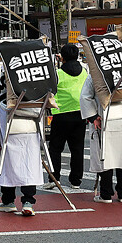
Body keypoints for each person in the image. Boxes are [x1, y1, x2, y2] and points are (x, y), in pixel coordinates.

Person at [0, 65, 43, 216]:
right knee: (29, 164)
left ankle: (8, 201)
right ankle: (28, 201)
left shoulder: (0, 84)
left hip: (8, 130)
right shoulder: (36, 83)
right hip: (30, 129)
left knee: (7, 165)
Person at [79, 74, 122, 203]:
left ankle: (106, 193)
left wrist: (92, 117)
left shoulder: (95, 73)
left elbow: (85, 96)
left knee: (105, 155)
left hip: (103, 114)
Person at [44, 44, 88, 191]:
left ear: (62, 57)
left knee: (55, 148)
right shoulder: (84, 72)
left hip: (61, 115)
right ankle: (76, 180)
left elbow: (50, 91)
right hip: (80, 114)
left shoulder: (58, 73)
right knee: (77, 149)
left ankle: (54, 178)